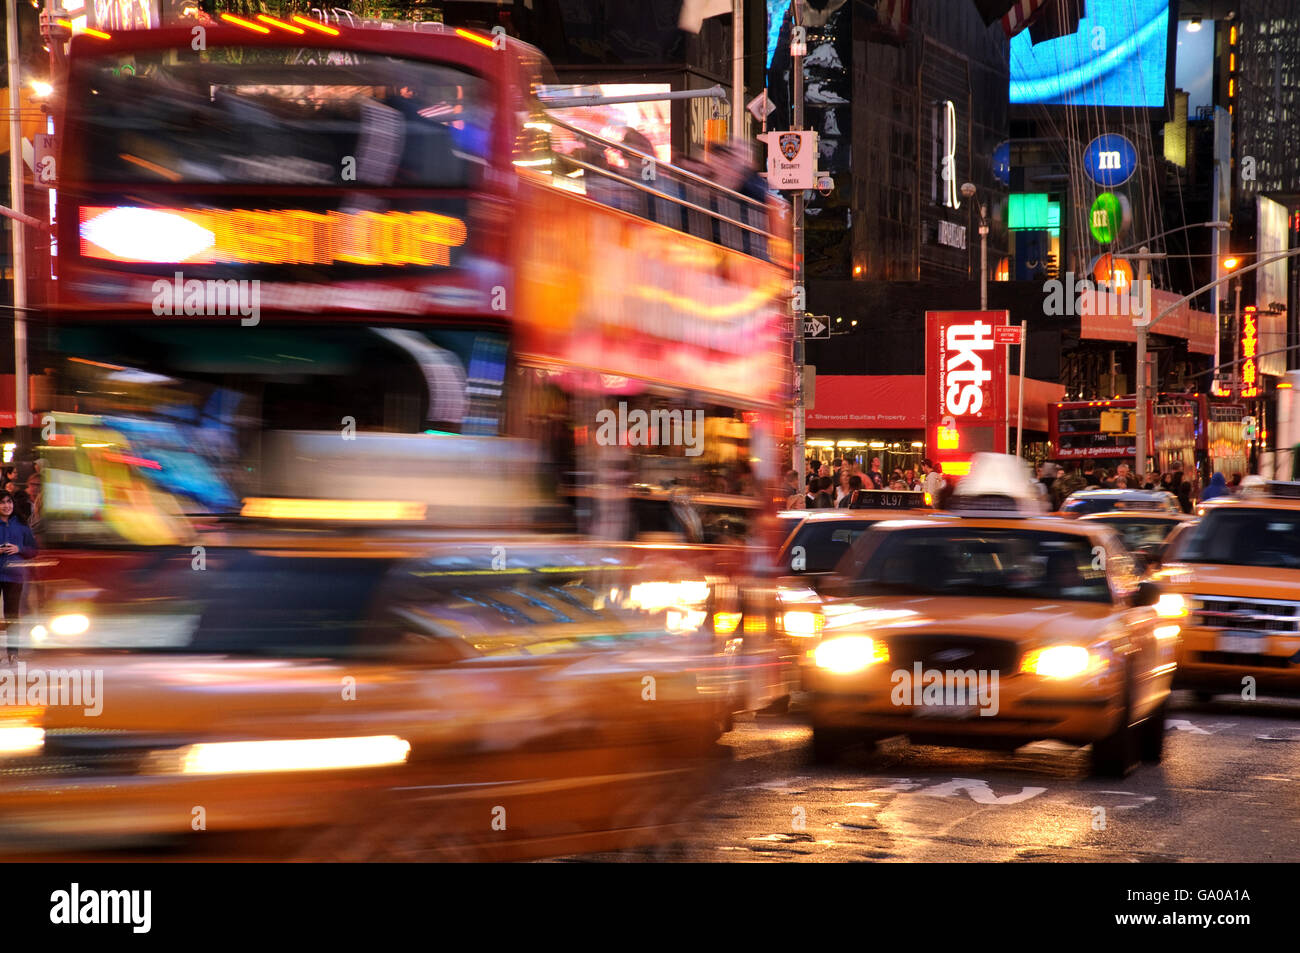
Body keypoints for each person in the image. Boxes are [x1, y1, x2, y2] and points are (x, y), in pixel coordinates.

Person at [0, 491, 37, 662]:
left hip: (14, 576)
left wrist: (19, 549)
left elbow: (33, 551)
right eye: (2, 503)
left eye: (9, 502)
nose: (6, 506)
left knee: (12, 615)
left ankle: (13, 653)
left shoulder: (22, 525)